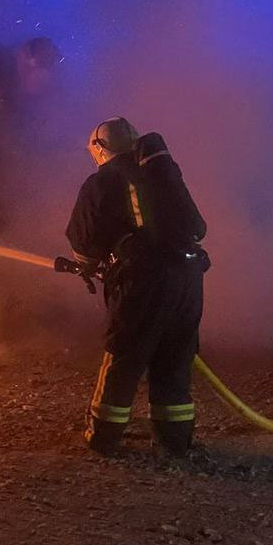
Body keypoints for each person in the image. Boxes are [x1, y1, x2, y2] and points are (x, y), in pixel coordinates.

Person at [65, 118, 209, 457]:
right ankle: (174, 442)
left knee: (124, 357)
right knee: (174, 358)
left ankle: (103, 439)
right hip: (188, 278)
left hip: (144, 283)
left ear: (100, 148)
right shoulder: (161, 173)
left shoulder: (102, 181)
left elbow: (84, 244)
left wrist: (93, 264)